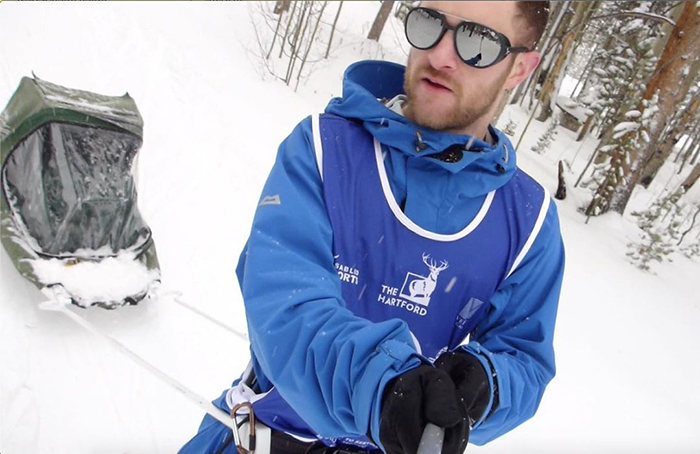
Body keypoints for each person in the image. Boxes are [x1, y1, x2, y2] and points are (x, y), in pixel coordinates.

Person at [181, 1, 563, 453]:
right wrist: (382, 384)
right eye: (429, 23)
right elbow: (284, 303)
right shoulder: (324, 150)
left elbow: (523, 355)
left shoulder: (528, 218)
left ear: (520, 67)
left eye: (477, 41)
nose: (441, 54)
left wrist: (484, 383)